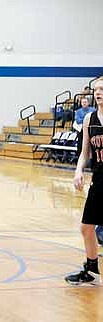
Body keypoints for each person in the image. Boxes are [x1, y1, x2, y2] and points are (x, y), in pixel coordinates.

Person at [65, 77, 103, 286]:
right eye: (96, 89)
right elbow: (84, 152)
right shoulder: (90, 118)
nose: (98, 92)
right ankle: (92, 270)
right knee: (86, 227)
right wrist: (78, 171)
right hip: (99, 179)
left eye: (102, 89)